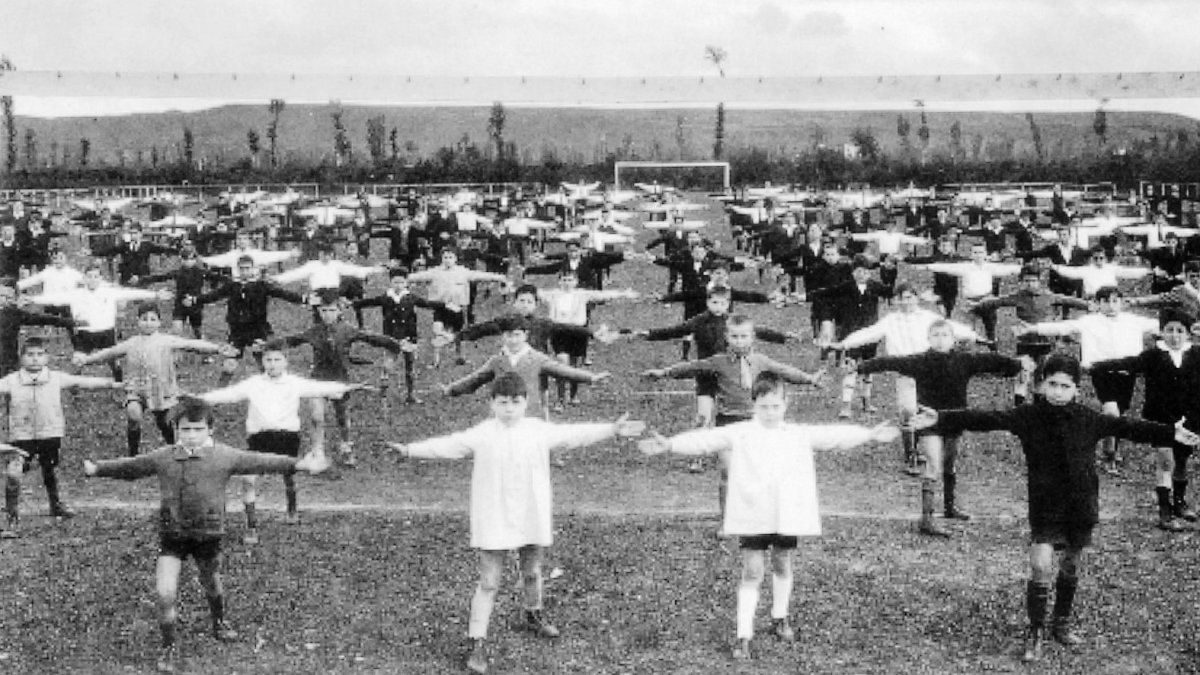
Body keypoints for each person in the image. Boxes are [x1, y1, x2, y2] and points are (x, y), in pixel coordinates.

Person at [909, 354, 1200, 663]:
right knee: (1040, 564)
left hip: (1081, 502)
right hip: (1046, 503)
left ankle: (1060, 623)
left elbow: (1128, 426)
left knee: (1071, 564)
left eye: (1065, 386)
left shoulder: (1089, 418)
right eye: (1052, 384)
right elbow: (986, 418)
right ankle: (1035, 629)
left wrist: (1171, 433)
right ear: (1042, 384)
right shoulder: (1027, 416)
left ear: (1076, 388)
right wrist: (941, 417)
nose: (1058, 391)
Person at [386, 372, 645, 674]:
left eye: (515, 402)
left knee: (532, 573)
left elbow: (575, 434)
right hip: (493, 516)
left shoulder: (538, 430)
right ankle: (477, 642)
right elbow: (449, 445)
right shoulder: (482, 433)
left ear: (526, 403)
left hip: (530, 514)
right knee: (488, 582)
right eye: (503, 402)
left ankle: (533, 614)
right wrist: (408, 450)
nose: (509, 408)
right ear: (492, 404)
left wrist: (612, 429)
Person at [638, 371, 897, 660]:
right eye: (763, 406)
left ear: (786, 404)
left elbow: (832, 435)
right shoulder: (741, 432)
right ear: (754, 406)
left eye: (776, 406)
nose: (770, 412)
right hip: (753, 513)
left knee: (782, 562)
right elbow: (707, 440)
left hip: (785, 513)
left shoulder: (797, 434)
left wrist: (869, 434)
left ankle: (779, 616)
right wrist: (672, 444)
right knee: (751, 571)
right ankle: (743, 634)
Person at [83, 397, 332, 674]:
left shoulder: (224, 456)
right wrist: (99, 468)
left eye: (197, 429)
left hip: (208, 534)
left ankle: (219, 620)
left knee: (212, 583)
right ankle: (169, 647)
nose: (191, 435)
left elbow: (261, 461)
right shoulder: (163, 457)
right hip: (173, 536)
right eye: (185, 430)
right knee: (165, 594)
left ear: (209, 430)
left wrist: (297, 465)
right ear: (175, 430)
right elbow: (131, 467)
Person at [643, 314, 825, 530]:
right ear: (727, 337)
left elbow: (784, 370)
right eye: (735, 336)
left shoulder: (761, 361)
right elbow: (693, 366)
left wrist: (808, 379)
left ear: (753, 337)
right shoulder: (719, 361)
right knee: (727, 472)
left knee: (761, 471)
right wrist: (664, 372)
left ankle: (760, 515)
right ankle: (725, 520)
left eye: (744, 336)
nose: (740, 341)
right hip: (727, 422)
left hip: (755, 424)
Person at [856, 320, 1031, 536]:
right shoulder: (919, 361)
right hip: (927, 422)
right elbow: (889, 361)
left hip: (956, 420)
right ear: (928, 339)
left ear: (953, 339)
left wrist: (1017, 364)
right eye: (935, 335)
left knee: (949, 464)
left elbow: (991, 361)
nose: (940, 340)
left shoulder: (965, 360)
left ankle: (949, 507)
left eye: (944, 335)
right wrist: (860, 367)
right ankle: (926, 519)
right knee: (934, 464)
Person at [199, 347, 368, 543]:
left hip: (287, 438)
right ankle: (251, 527)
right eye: (268, 360)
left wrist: (348, 387)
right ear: (263, 362)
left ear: (285, 362)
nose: (272, 364)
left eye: (277, 359)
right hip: (259, 438)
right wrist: (199, 398)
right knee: (248, 480)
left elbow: (320, 387)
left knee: (288, 477)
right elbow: (228, 394)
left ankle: (292, 508)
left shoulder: (294, 383)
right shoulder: (253, 384)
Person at [830, 282, 985, 474]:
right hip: (905, 370)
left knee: (927, 410)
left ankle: (930, 452)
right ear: (896, 300)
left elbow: (950, 327)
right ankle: (910, 455)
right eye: (902, 298)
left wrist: (974, 336)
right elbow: (869, 333)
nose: (906, 302)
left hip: (927, 369)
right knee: (907, 410)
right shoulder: (891, 320)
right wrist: (844, 344)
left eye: (910, 297)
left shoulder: (928, 317)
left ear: (916, 298)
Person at [1014, 286, 1160, 475]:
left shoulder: (1134, 321)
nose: (1110, 305)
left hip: (1126, 372)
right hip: (1100, 370)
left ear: (1122, 303)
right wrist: (1033, 328)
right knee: (1111, 411)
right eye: (1105, 301)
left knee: (1120, 413)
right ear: (1098, 304)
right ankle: (1109, 456)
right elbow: (1064, 326)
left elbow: (1161, 325)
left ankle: (1112, 449)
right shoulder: (1089, 321)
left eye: (1115, 301)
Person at [263, 291, 404, 466]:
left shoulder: (348, 330)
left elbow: (372, 338)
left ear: (339, 311)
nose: (327, 315)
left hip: (339, 380)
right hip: (318, 380)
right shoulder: (313, 332)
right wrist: (266, 346)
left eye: (331, 310)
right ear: (319, 312)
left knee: (342, 416)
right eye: (323, 311)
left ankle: (346, 446)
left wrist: (394, 346)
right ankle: (318, 452)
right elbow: (291, 340)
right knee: (316, 416)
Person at [74, 303, 233, 456]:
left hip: (161, 390)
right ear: (137, 321)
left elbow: (192, 344)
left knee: (165, 423)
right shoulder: (131, 343)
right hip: (137, 389)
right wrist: (87, 359)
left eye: (152, 319)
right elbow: (109, 352)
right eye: (144, 319)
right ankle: (133, 453)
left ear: (159, 322)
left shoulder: (166, 340)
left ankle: (174, 450)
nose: (148, 323)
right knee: (133, 414)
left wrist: (217, 348)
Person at [0, 337, 123, 535]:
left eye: (40, 355)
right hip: (21, 436)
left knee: (50, 470)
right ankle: (11, 518)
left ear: (47, 357)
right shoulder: (11, 381)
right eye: (30, 355)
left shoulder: (55, 377)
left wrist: (114, 384)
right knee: (14, 473)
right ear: (22, 358)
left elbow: (83, 382)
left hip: (50, 433)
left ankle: (55, 505)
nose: (35, 359)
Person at [1090, 310, 1200, 531]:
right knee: (1165, 459)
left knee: (1181, 461)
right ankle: (1164, 511)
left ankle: (1179, 501)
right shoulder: (1152, 356)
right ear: (1161, 332)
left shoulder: (1196, 355)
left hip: (1189, 418)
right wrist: (1097, 365)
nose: (1175, 336)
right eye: (1170, 330)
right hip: (1160, 418)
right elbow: (1127, 363)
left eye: (1180, 331)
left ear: (1189, 334)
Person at [440, 314, 610, 416]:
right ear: (502, 337)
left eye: (516, 335)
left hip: (530, 414)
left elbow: (562, 371)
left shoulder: (537, 358)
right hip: (502, 414)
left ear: (525, 336)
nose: (512, 340)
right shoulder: (497, 361)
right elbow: (475, 379)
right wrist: (451, 390)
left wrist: (591, 378)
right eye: (508, 335)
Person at [969, 265, 1090, 404]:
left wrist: (1088, 305)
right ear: (1021, 281)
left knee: (1041, 375)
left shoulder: (1048, 296)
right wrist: (974, 306)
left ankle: (1037, 407)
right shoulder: (1018, 297)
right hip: (1024, 343)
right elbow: (997, 301)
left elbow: (1069, 300)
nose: (1030, 284)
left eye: (1033, 280)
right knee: (1023, 375)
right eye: (1026, 281)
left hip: (1045, 343)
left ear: (1039, 281)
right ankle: (1018, 407)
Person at [27, 263, 169, 381]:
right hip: (85, 333)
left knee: (114, 362)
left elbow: (131, 293)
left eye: (96, 276)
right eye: (89, 276)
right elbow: (54, 297)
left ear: (100, 278)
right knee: (77, 362)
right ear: (84, 278)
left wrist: (155, 294)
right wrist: (32, 299)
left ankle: (119, 385)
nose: (93, 279)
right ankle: (74, 386)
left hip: (106, 332)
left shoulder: (109, 292)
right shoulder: (76, 294)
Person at [188, 255, 307, 385]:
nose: (245, 272)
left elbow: (282, 293)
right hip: (237, 330)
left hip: (258, 328)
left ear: (254, 269)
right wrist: (195, 299)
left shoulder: (262, 285)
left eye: (247, 268)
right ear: (238, 269)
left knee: (264, 363)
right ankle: (218, 396)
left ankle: (272, 390)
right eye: (242, 269)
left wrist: (303, 299)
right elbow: (214, 295)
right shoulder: (232, 285)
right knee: (229, 364)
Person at [535, 270, 637, 410]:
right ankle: (560, 399)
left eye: (570, 280)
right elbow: (533, 292)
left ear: (576, 282)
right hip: (559, 333)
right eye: (564, 280)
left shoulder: (582, 294)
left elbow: (602, 295)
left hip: (579, 332)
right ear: (559, 282)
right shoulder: (552, 295)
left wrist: (623, 293)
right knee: (562, 362)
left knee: (576, 365)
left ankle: (573, 395)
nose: (567, 283)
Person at [352, 267, 451, 404]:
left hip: (409, 336)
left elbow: (427, 304)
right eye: (395, 282)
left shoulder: (411, 298)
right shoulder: (385, 298)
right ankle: (383, 392)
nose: (398, 285)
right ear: (390, 283)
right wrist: (354, 303)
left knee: (410, 366)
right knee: (387, 365)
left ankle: (411, 394)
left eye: (401, 282)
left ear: (406, 283)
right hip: (390, 336)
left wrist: (445, 304)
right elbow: (368, 302)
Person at [407, 248, 509, 366]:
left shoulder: (463, 272)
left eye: (450, 257)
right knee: (438, 331)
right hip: (440, 308)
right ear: (441, 258)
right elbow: (417, 277)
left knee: (458, 334)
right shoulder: (434, 272)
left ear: (455, 259)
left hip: (457, 308)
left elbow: (480, 275)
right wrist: (402, 277)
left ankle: (459, 357)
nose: (448, 260)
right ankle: (436, 361)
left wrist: (499, 277)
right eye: (445, 257)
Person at [136, 247, 228, 339]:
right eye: (186, 259)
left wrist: (231, 280)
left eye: (191, 259)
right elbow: (161, 277)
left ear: (195, 259)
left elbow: (218, 277)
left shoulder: (201, 272)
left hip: (195, 304)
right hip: (180, 304)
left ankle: (200, 341)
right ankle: (177, 345)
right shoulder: (178, 272)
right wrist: (144, 279)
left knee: (197, 330)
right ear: (181, 259)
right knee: (177, 329)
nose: (188, 261)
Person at [0, 281, 78, 375]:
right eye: (0, 295)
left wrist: (70, 322)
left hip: (7, 362)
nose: (3, 300)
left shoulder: (13, 314)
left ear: (14, 299)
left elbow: (42, 319)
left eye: (8, 297)